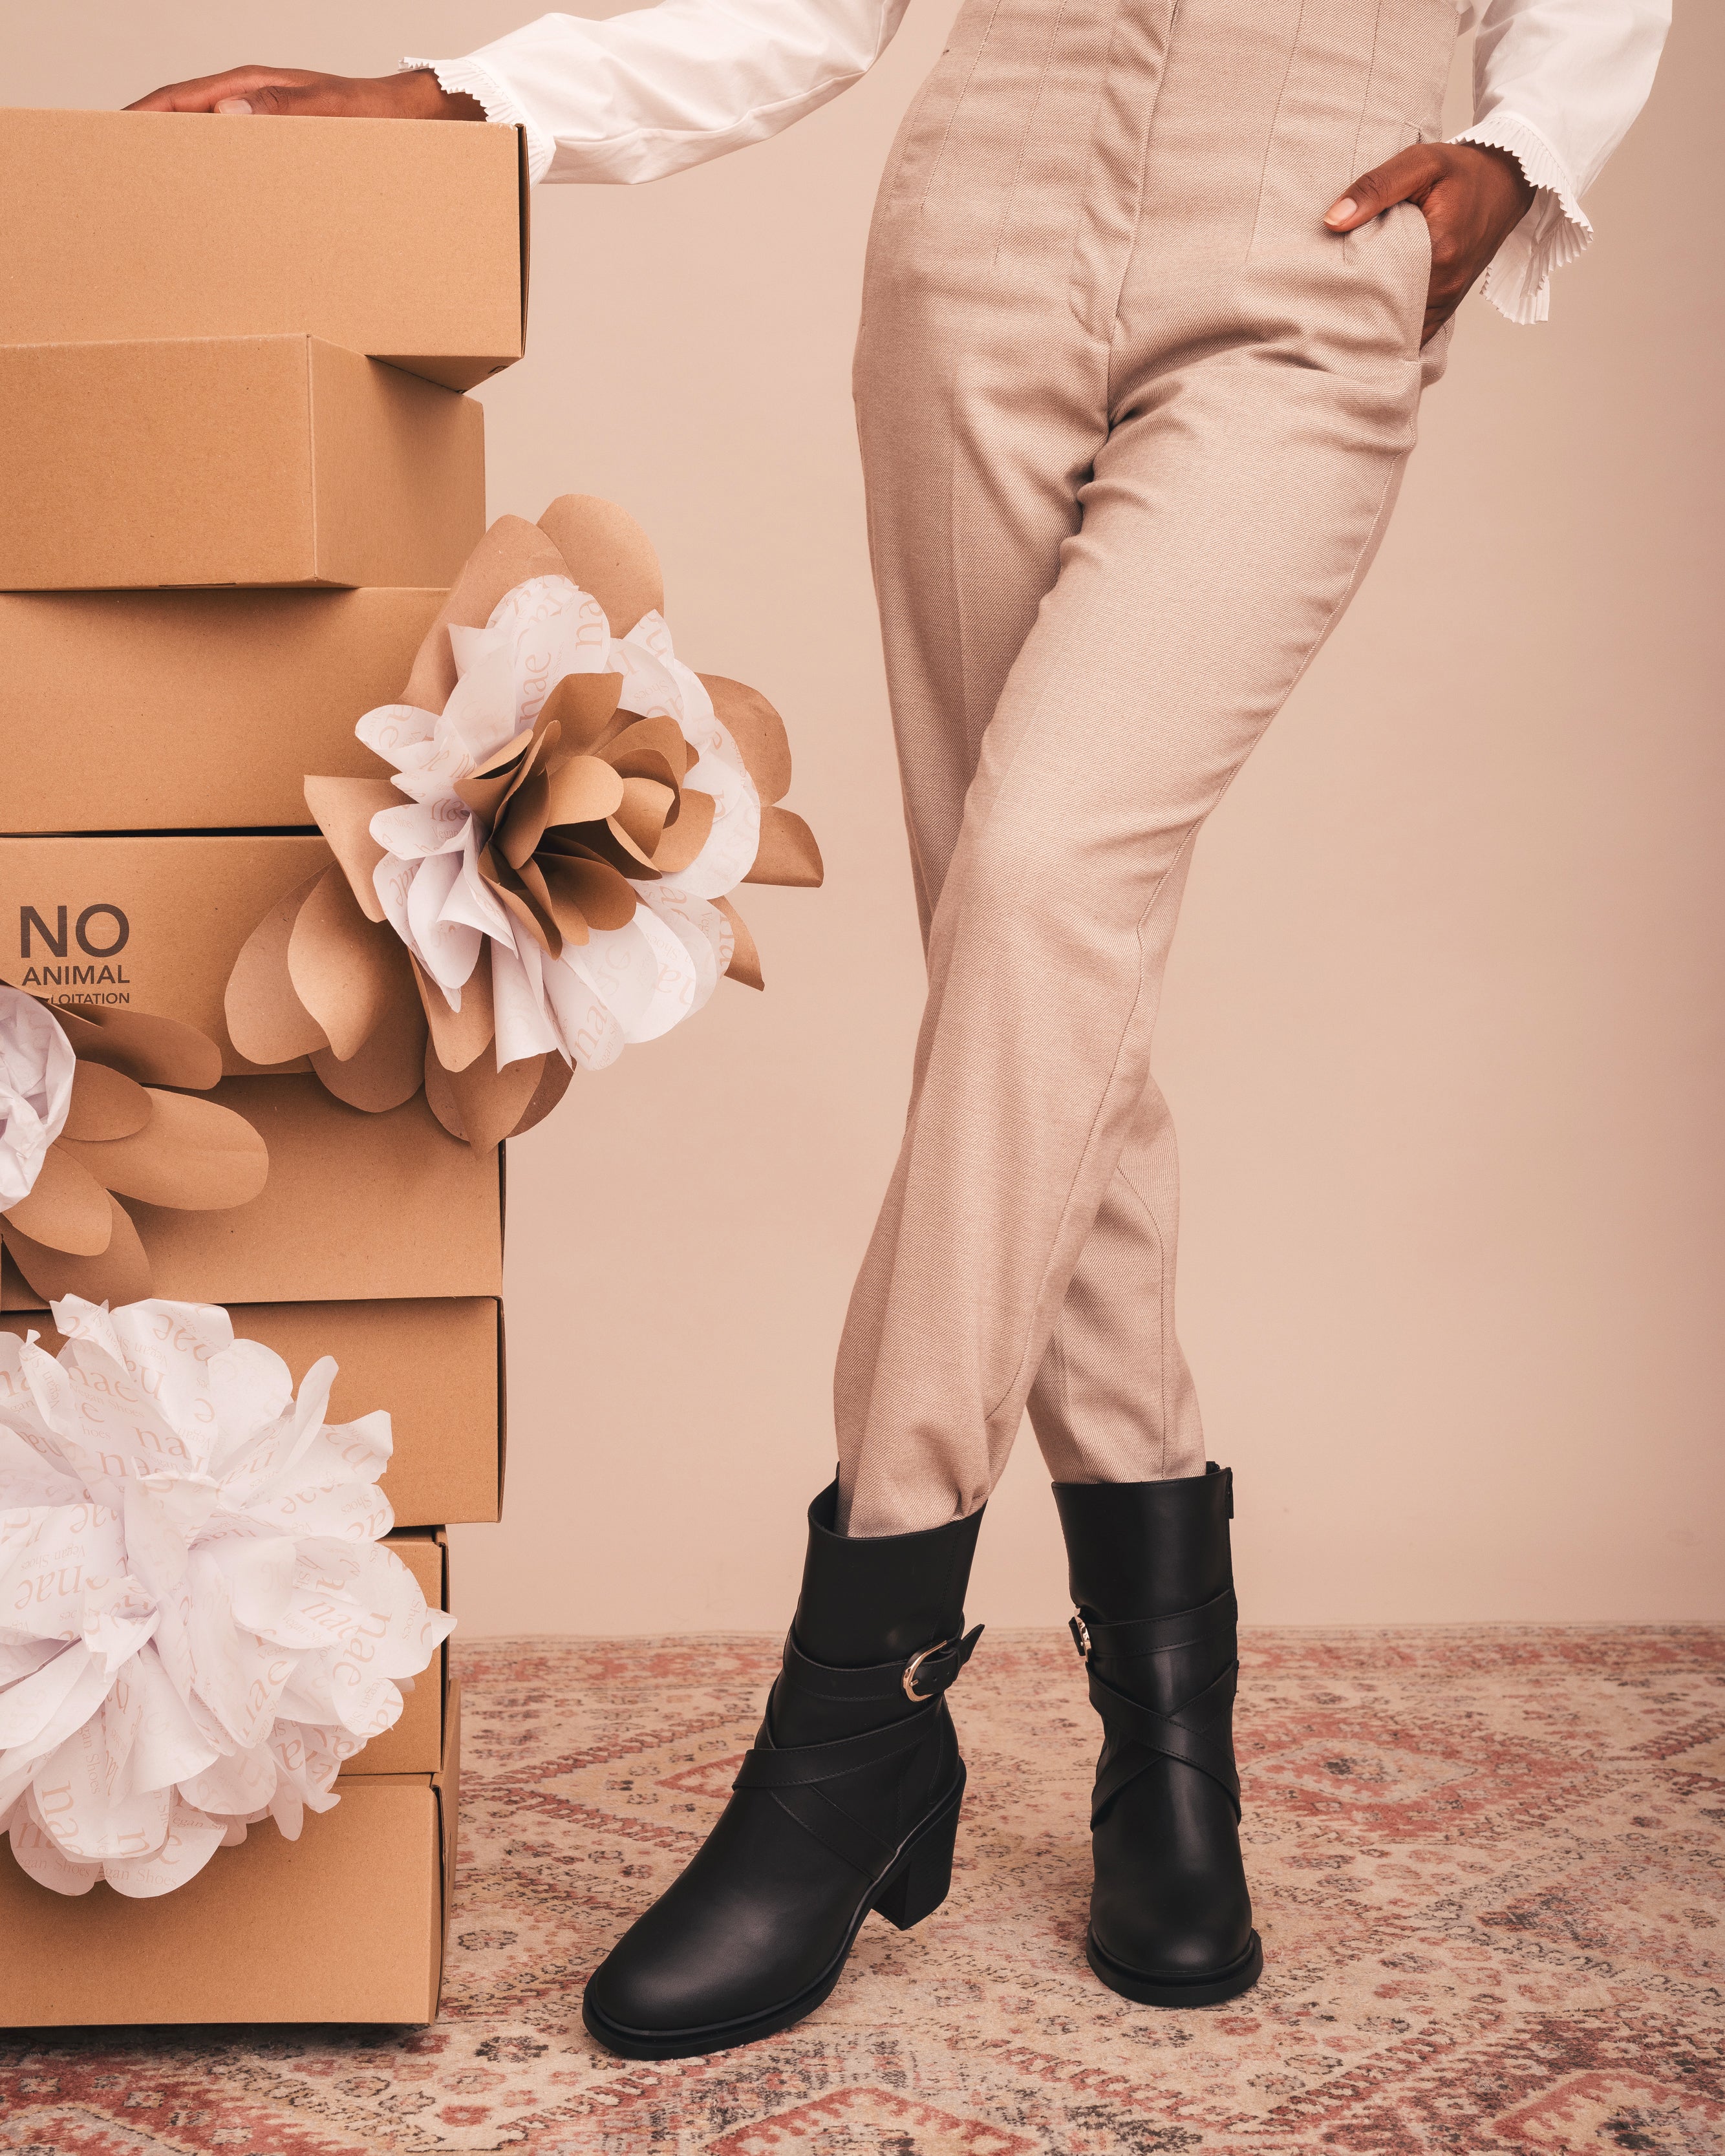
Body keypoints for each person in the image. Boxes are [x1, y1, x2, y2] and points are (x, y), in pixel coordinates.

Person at [134, 0, 1668, 2062]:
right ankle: (1165, 1748)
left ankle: (855, 1707)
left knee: (1043, 890)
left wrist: (1527, 146)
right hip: (979, 227)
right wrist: (451, 95)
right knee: (1039, 979)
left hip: (1319, 220)